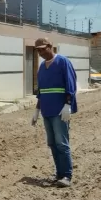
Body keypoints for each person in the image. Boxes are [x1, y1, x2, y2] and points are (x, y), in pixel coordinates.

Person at [31, 37, 77, 188]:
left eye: (43, 49)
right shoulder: (42, 67)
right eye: (38, 50)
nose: (41, 52)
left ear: (50, 47)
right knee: (52, 144)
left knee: (62, 143)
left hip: (60, 110)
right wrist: (37, 110)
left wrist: (68, 104)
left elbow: (70, 84)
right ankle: (59, 173)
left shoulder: (63, 62)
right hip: (47, 110)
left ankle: (67, 175)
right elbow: (41, 91)